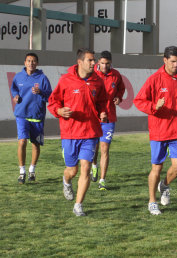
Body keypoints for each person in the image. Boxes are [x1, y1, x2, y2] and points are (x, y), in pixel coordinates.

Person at [47, 48, 107, 216]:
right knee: (72, 170)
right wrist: (59, 111)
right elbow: (53, 102)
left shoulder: (98, 81)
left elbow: (102, 102)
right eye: (90, 60)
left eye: (94, 60)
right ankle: (66, 181)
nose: (94, 63)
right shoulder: (66, 80)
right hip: (70, 133)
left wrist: (103, 112)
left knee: (86, 167)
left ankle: (78, 205)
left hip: (90, 132)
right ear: (80, 62)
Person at [133, 46, 177, 215]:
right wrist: (154, 106)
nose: (176, 65)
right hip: (159, 131)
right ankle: (152, 201)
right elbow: (138, 100)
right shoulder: (155, 79)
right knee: (156, 169)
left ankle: (164, 185)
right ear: (165, 60)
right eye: (173, 61)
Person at [11, 53, 52, 184]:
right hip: (21, 114)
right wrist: (16, 96)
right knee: (22, 141)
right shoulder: (18, 77)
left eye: (33, 61)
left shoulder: (43, 78)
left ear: (37, 63)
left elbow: (50, 96)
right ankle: (22, 172)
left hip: (37, 116)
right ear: (25, 63)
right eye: (29, 61)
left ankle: (32, 170)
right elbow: (14, 89)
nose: (31, 63)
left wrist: (41, 92)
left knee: (35, 144)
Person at [90, 51, 125, 190]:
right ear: (98, 62)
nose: (104, 66)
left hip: (109, 117)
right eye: (102, 63)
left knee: (105, 148)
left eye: (107, 64)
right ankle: (94, 165)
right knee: (93, 147)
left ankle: (102, 180)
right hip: (94, 116)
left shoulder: (116, 75)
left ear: (111, 63)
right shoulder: (92, 74)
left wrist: (119, 97)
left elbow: (121, 89)